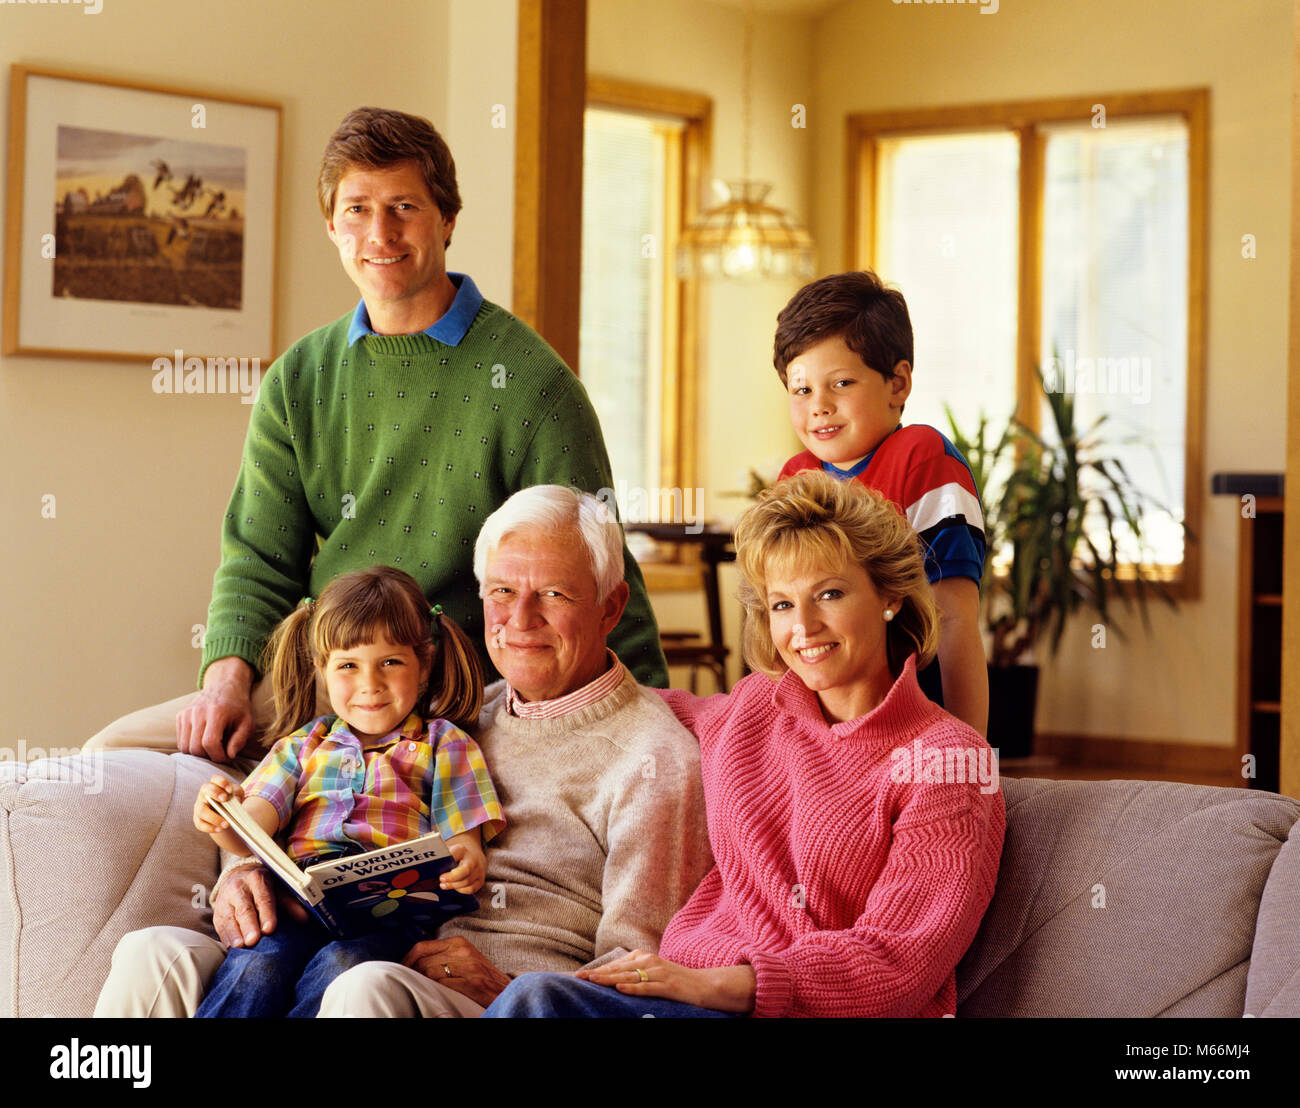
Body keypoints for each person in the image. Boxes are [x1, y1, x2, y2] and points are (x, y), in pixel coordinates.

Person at [84, 105, 667, 765]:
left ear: (447, 219)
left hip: (460, 692)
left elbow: (601, 568)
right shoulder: (299, 378)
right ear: (332, 224)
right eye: (358, 209)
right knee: (111, 756)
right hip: (323, 677)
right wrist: (226, 681)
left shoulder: (532, 382)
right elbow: (258, 559)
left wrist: (654, 733)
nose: (380, 233)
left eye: (404, 207)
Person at [93, 486, 712, 1019]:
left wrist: (507, 989)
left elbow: (639, 979)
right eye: (501, 591)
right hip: (330, 941)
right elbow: (300, 782)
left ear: (610, 606)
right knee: (151, 954)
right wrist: (244, 870)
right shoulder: (458, 710)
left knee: (362, 985)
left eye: (554, 594)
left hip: (475, 994)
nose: (520, 619)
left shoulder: (652, 758)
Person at [482, 470, 1004, 1018]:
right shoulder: (759, 708)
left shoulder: (950, 763)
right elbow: (632, 706)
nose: (803, 626)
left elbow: (897, 962)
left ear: (890, 597)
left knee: (536, 1000)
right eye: (782, 604)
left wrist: (719, 985)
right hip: (679, 995)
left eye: (829, 593)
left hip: (764, 1008)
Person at [187, 565, 503, 1018]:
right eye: (348, 666)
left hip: (387, 916)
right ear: (322, 669)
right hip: (294, 907)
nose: (369, 685)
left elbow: (463, 840)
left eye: (390, 663)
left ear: (424, 662)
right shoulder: (300, 747)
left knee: (343, 966)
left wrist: (467, 861)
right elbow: (250, 832)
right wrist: (223, 820)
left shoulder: (445, 743)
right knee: (255, 969)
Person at [773, 269, 988, 735]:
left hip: (913, 723)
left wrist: (967, 750)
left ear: (898, 384)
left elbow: (954, 620)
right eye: (802, 389)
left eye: (842, 384)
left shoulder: (922, 458)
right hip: (821, 731)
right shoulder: (794, 478)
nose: (819, 406)